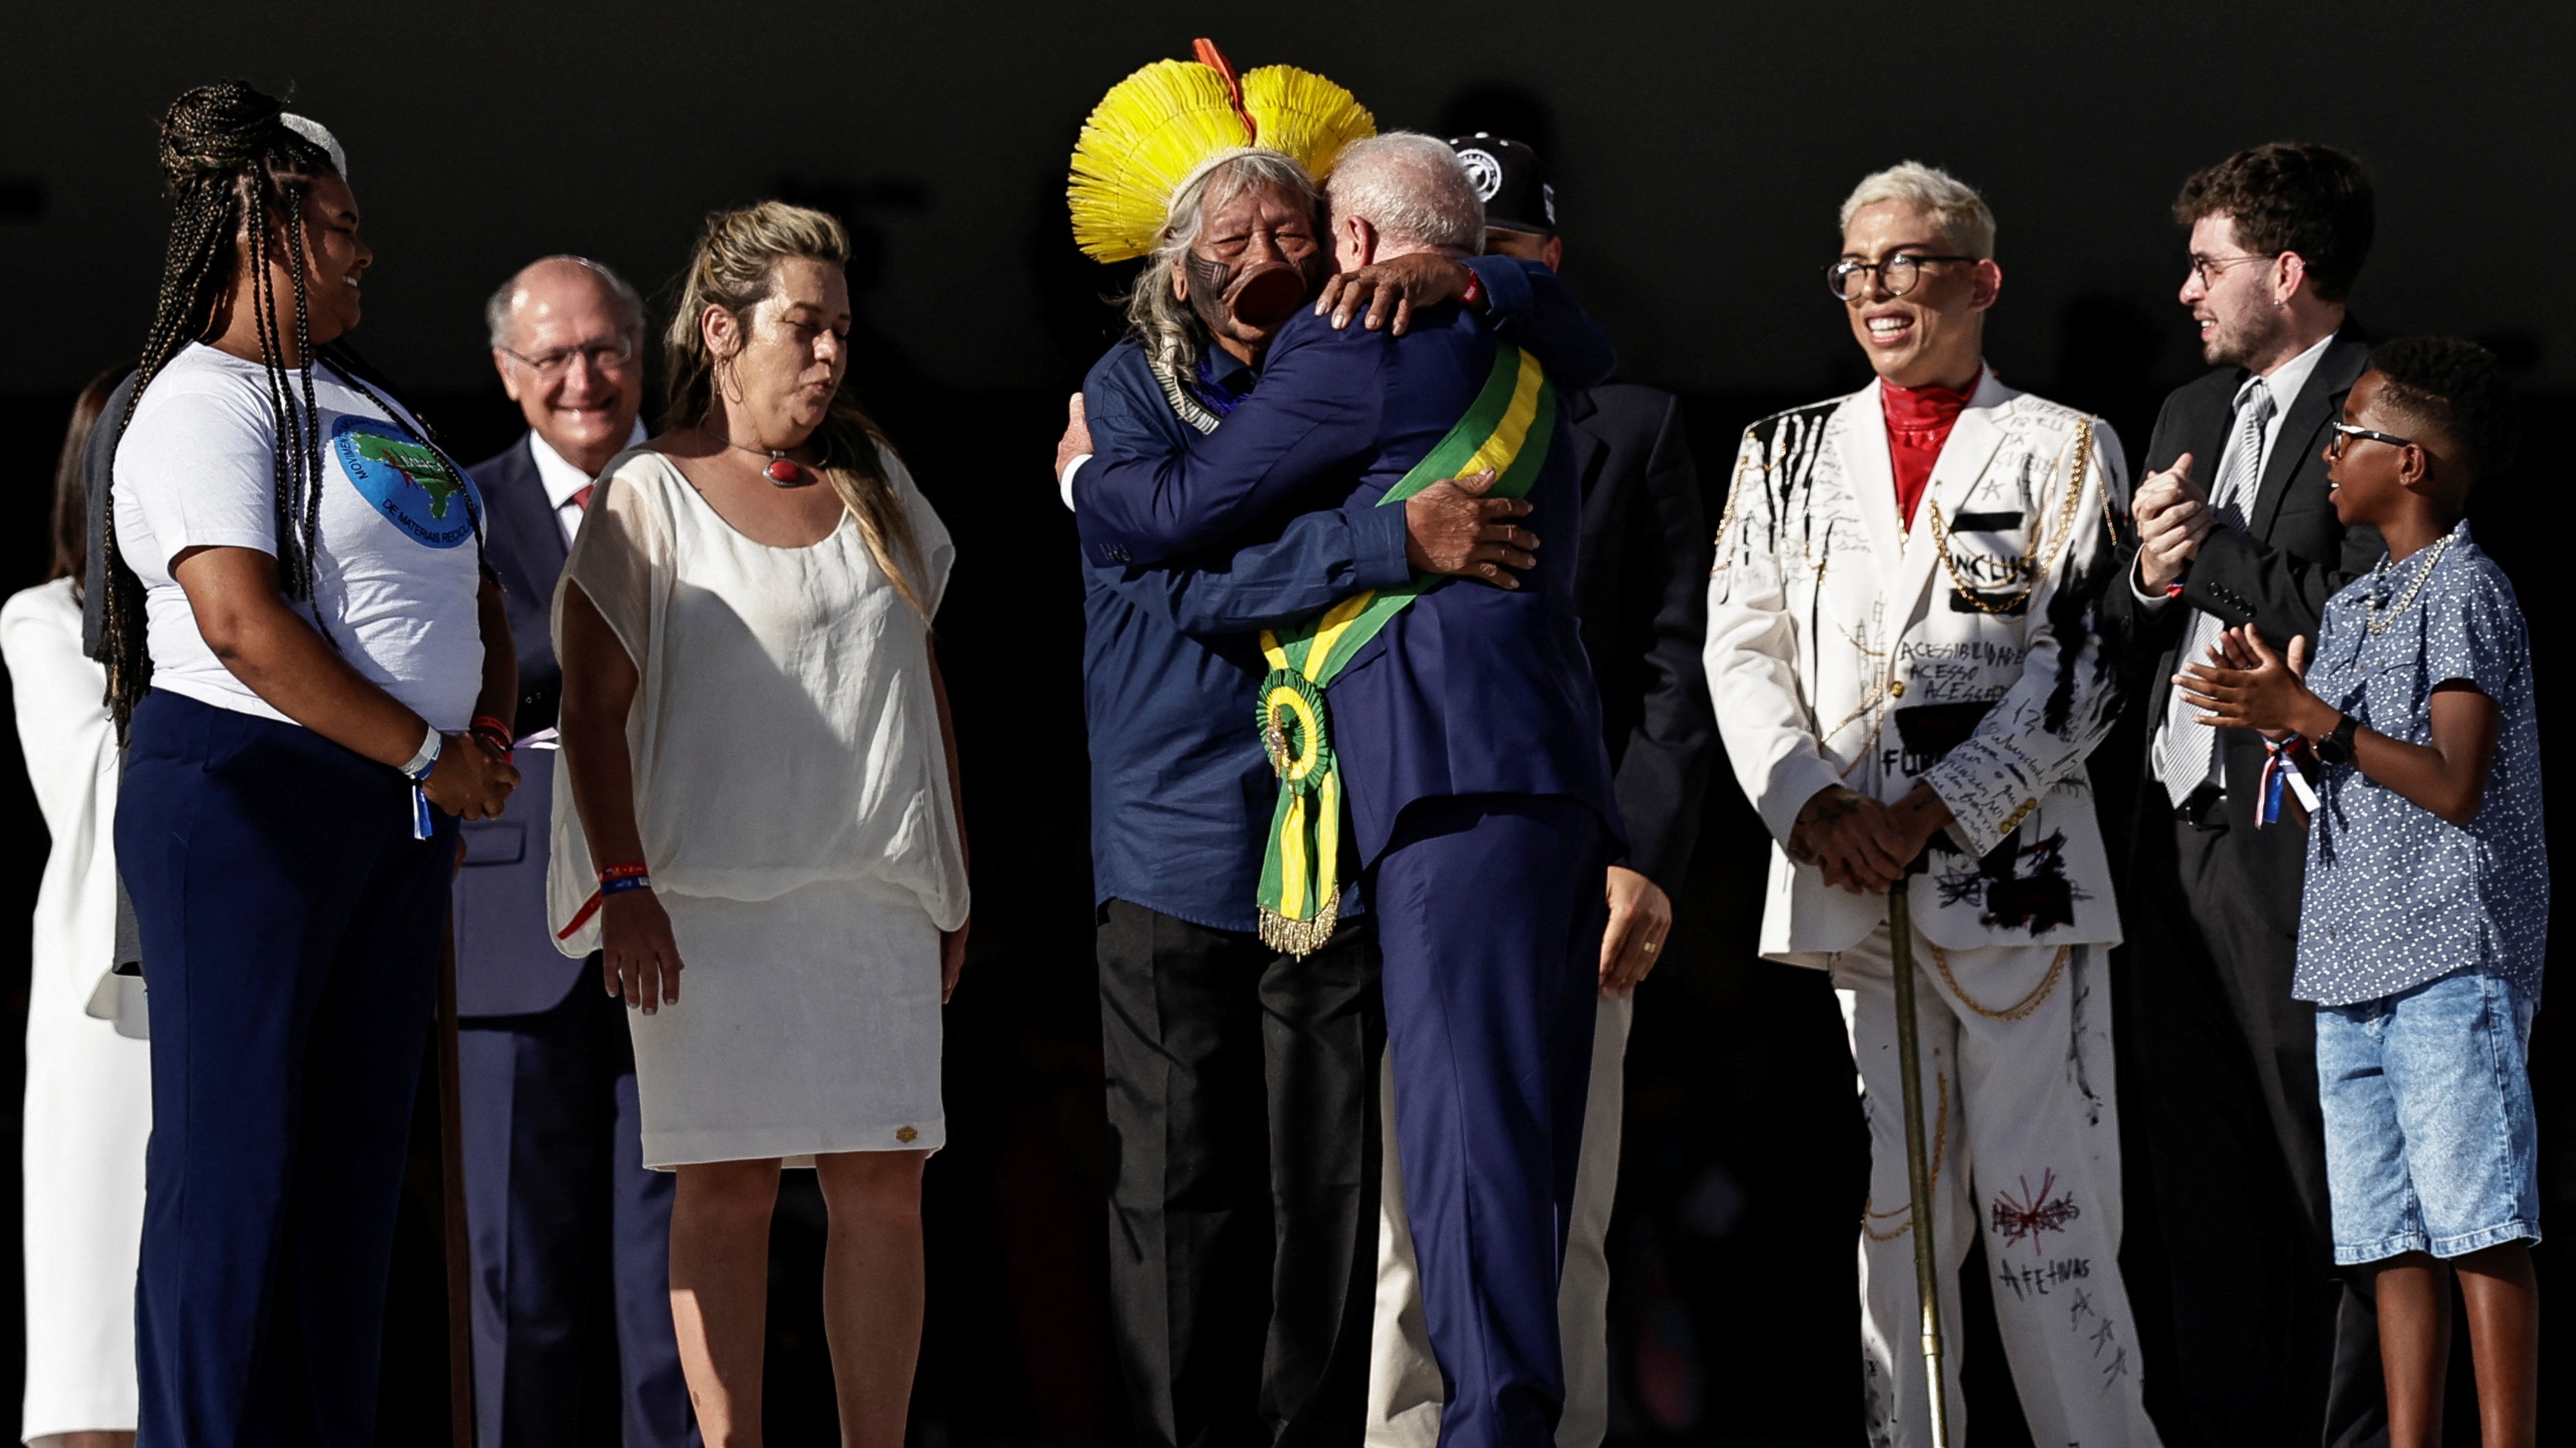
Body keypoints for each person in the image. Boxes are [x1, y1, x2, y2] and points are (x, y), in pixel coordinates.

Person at [1060, 48, 1607, 1448]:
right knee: (1183, 1185)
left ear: (1342, 240)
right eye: (1231, 239)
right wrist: (1381, 542)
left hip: (1339, 835)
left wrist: (1469, 275)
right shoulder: (1126, 394)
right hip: (1184, 832)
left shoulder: (1357, 347)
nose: (1266, 257)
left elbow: (1566, 325)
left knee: (1331, 1187)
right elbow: (1173, 572)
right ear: (1176, 266)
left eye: (1289, 229)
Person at [1701, 162, 2152, 1447]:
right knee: (1892, 1211)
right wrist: (1811, 807)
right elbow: (1740, 647)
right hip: (1849, 882)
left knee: (2043, 1207)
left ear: (1980, 280)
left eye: (1905, 261)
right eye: (1855, 267)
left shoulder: (2065, 442)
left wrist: (1935, 808)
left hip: (2014, 882)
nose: (1876, 288)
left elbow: (2086, 665)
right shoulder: (1781, 448)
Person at [101, 83, 522, 1446]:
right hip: (249, 797)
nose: (364, 250)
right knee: (237, 1168)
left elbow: (472, 589)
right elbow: (239, 619)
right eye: (339, 226)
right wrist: (426, 750)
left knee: (350, 1177)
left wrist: (480, 733)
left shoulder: (362, 395)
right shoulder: (197, 401)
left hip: (392, 808)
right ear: (263, 232)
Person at [549, 201, 967, 1448]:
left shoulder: (877, 480)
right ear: (724, 331)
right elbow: (590, 707)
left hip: (870, 904)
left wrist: (948, 884)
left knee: (883, 1190)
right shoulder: (647, 493)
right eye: (804, 326)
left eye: (841, 329)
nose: (830, 352)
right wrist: (625, 884)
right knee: (723, 1190)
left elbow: (921, 687)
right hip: (703, 919)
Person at [1367, 134, 1714, 1448]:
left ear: (1546, 263)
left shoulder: (1627, 420)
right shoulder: (1365, 406)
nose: (1465, 281)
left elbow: (1671, 666)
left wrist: (1643, 854)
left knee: (1556, 1200)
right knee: (1407, 1210)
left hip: (1573, 865)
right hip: (1400, 847)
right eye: (1447, 256)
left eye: (1499, 256)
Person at [2175, 337, 2540, 1448]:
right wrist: (2275, 719)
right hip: (2345, 960)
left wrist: (2313, 721)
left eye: (2348, 436)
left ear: (2411, 464)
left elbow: (2453, 779)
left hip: (2444, 953)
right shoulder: (2352, 607)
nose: (2328, 454)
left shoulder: (2465, 589)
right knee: (2385, 1239)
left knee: (2478, 1223)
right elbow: (2334, 772)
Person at [2096, 141, 2385, 1448]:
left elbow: (2357, 623)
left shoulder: (2383, 412)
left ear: (2285, 268)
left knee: (2320, 1169)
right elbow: (2126, 623)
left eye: (2206, 266)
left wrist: (2208, 550)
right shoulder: (2185, 414)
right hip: (2174, 836)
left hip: (2301, 843)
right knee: (2197, 1175)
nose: (2184, 292)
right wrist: (2148, 575)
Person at [459, 256, 694, 1447]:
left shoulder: (712, 488)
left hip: (693, 905)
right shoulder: (452, 509)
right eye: (551, 356)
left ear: (642, 355)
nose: (583, 379)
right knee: (518, 1276)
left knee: (681, 1275)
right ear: (508, 374)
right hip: (513, 926)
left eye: (605, 350)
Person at [9, 371, 149, 1448]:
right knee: (100, 1331)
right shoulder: (44, 619)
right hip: (107, 1012)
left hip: (230, 978)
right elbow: (94, 778)